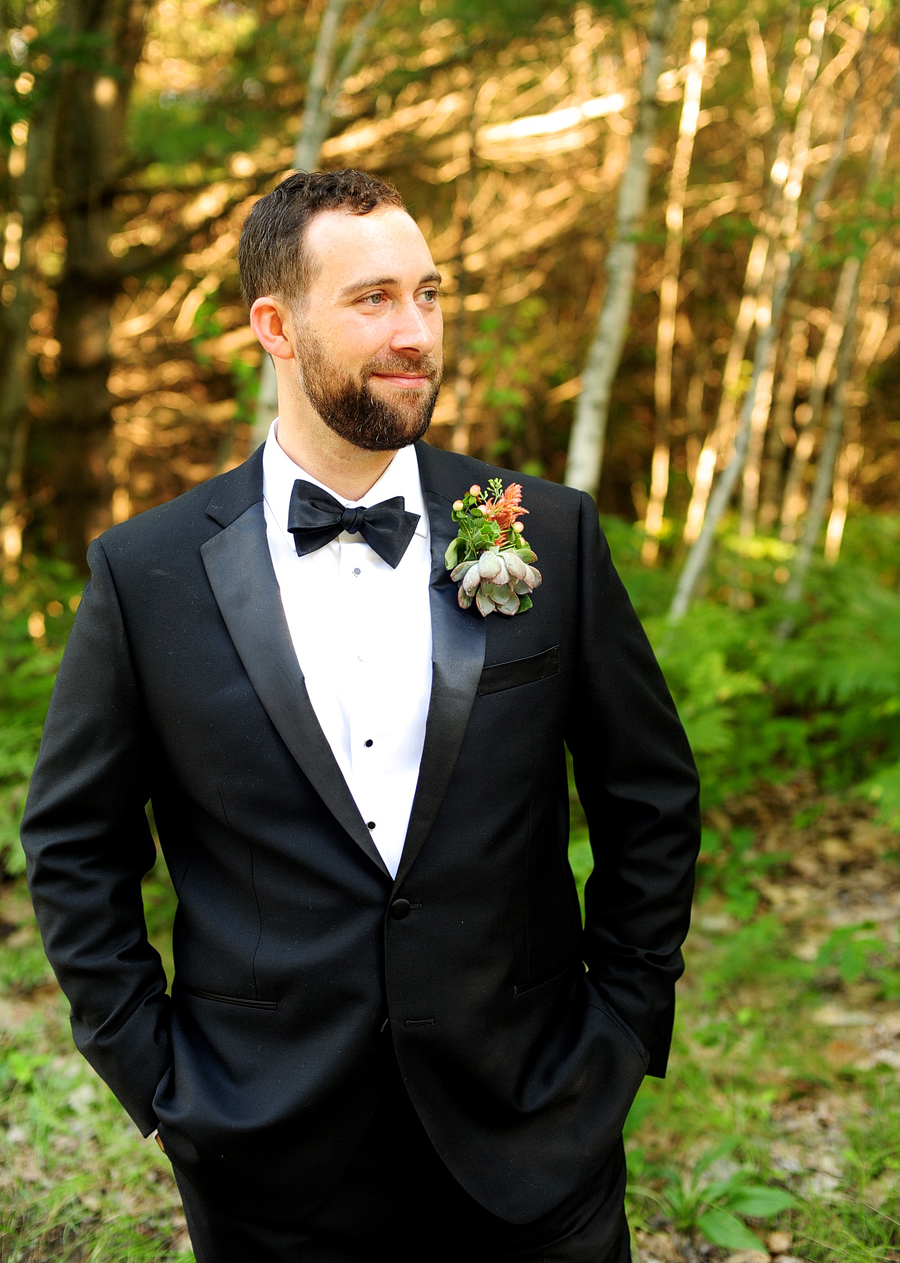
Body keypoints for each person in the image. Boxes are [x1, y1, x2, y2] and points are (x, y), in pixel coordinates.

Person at [21, 169, 700, 1263]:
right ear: (274, 327)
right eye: (373, 299)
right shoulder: (145, 573)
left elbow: (650, 798)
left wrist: (620, 1030)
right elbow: (72, 844)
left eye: (430, 294)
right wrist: (157, 1079)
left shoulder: (545, 536)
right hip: (266, 1156)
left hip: (533, 1126)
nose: (416, 333)